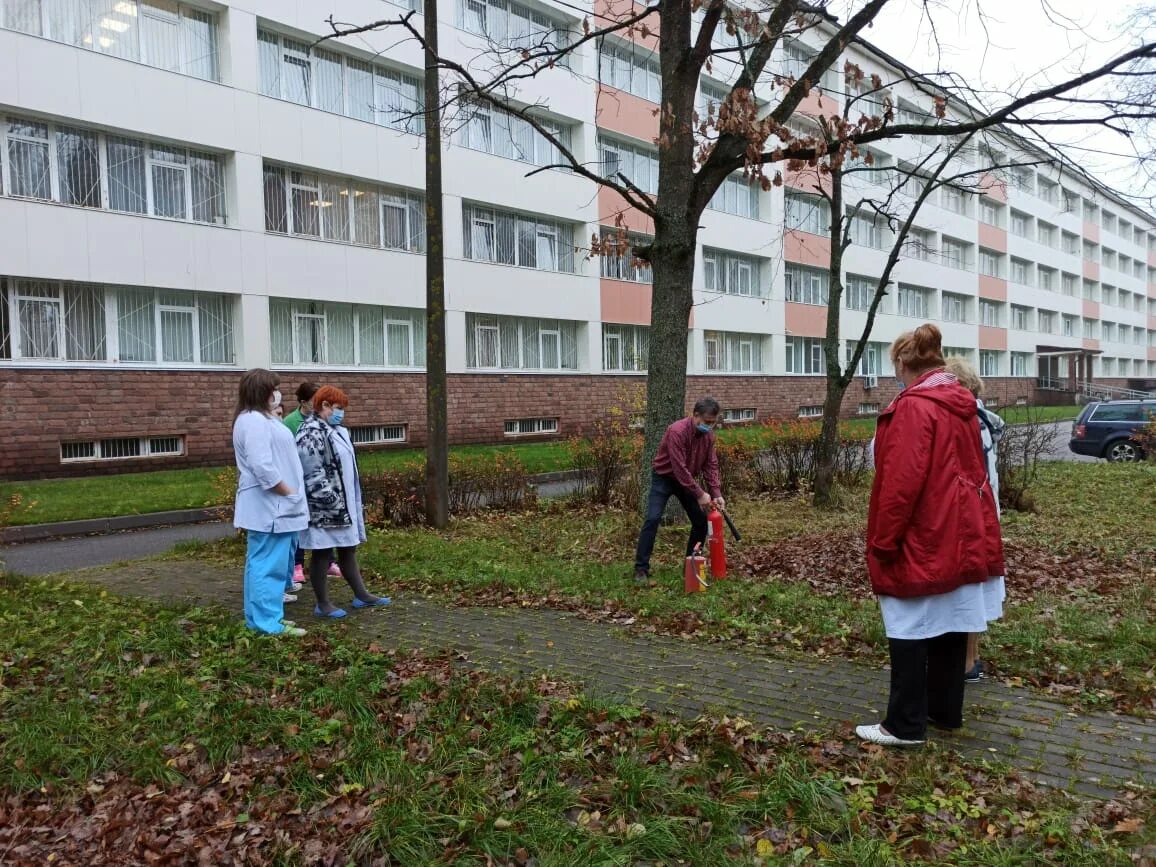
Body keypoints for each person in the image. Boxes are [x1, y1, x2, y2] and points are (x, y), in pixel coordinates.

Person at [856, 325, 1005, 747]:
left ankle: (903, 724)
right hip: (960, 531)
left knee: (907, 622)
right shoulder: (962, 405)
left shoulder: (914, 408)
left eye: (895, 368)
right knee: (952, 620)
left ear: (903, 363)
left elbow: (900, 484)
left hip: (923, 534)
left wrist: (884, 541)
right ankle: (945, 711)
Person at [295, 385, 391, 617]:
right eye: (338, 408)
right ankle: (323, 603)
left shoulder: (338, 430)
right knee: (322, 552)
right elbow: (311, 471)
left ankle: (362, 595)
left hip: (343, 504)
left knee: (348, 548)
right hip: (324, 507)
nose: (342, 413)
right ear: (324, 406)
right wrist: (330, 499)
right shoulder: (310, 432)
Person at [944, 356, 1007, 683]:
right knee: (977, 588)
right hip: (984, 514)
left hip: (971, 518)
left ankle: (966, 663)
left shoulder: (968, 420)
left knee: (969, 590)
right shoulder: (982, 417)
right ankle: (972, 658)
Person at [232, 369, 308, 637]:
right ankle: (267, 624)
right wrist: (287, 492)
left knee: (265, 566)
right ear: (261, 390)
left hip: (275, 507)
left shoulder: (261, 418)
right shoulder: (253, 421)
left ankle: (263, 619)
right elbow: (262, 466)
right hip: (271, 507)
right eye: (274, 388)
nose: (278, 393)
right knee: (268, 568)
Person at [633, 397, 725, 585]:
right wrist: (700, 494)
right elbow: (678, 467)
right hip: (664, 478)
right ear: (695, 415)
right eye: (706, 422)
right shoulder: (677, 431)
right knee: (653, 518)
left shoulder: (708, 437)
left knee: (700, 522)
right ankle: (641, 569)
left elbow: (711, 465)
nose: (709, 426)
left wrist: (716, 493)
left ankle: (691, 566)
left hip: (686, 481)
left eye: (713, 423)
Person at [281, 381, 340, 588]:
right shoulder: (291, 422)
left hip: (324, 479)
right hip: (301, 480)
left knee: (325, 522)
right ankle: (297, 564)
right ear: (303, 402)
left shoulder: (327, 421)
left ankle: (330, 561)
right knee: (301, 524)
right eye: (313, 401)